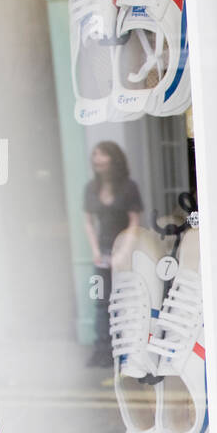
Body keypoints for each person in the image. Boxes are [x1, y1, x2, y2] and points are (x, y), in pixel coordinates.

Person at [82, 141, 143, 365]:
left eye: (103, 155)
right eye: (95, 155)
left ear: (113, 159)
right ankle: (102, 350)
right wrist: (96, 250)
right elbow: (87, 221)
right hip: (102, 254)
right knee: (100, 300)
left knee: (126, 301)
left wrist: (123, 252)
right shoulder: (91, 188)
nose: (97, 159)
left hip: (126, 254)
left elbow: (135, 223)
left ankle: (127, 350)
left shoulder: (128, 187)